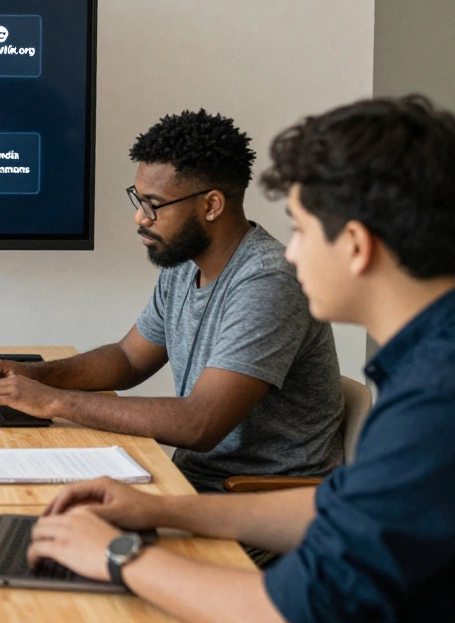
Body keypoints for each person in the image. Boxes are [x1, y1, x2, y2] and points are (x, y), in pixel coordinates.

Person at [26, 95, 455, 622]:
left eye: (300, 229)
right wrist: (162, 508)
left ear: (355, 246)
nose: (291, 252)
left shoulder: (434, 402)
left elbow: (290, 609)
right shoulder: (425, 369)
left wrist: (117, 555)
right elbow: (342, 506)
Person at [0, 109, 344, 492]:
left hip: (257, 502)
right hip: (194, 483)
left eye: (153, 204)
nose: (139, 218)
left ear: (211, 205)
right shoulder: (183, 264)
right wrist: (32, 375)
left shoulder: (267, 281)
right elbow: (128, 360)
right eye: (138, 200)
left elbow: (201, 422)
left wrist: (54, 402)